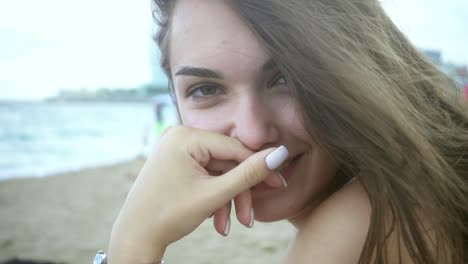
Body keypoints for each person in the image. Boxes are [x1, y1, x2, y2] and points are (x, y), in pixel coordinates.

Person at [105, 0, 468, 263]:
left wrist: (132, 243)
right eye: (206, 89)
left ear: (357, 67)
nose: (251, 134)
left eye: (285, 79)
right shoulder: (415, 183)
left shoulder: (364, 224)